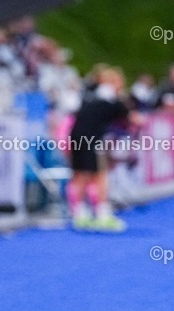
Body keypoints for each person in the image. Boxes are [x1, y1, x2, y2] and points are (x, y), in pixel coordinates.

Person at [67, 67, 141, 231]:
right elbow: (133, 118)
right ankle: (101, 214)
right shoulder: (111, 98)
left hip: (78, 135)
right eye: (119, 81)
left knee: (82, 175)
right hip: (89, 138)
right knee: (98, 175)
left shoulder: (92, 94)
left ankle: (80, 213)